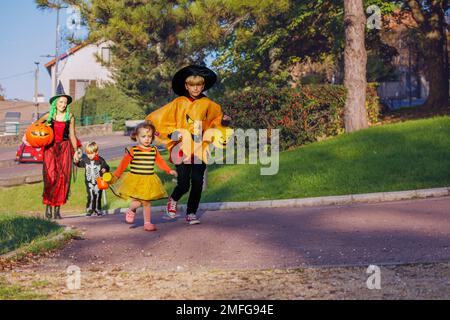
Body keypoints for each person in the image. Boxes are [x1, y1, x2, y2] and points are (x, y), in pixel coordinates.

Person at [145, 65, 231, 225]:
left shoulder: (210, 104)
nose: (196, 88)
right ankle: (173, 199)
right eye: (192, 85)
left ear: (203, 85)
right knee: (184, 184)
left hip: (200, 149)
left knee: (197, 181)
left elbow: (216, 121)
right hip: (181, 149)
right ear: (186, 86)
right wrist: (171, 133)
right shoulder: (178, 103)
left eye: (199, 85)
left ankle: (191, 212)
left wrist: (224, 121)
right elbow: (159, 119)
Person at [110, 121, 177, 231]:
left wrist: (169, 170)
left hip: (149, 180)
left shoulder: (153, 150)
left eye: (149, 136)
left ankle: (147, 223)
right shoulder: (133, 150)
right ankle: (131, 209)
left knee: (146, 202)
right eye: (144, 136)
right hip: (135, 180)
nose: (147, 139)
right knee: (136, 202)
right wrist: (116, 176)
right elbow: (123, 165)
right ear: (137, 137)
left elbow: (160, 162)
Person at [27, 92, 82, 219]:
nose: (63, 104)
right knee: (50, 177)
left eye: (65, 102)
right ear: (55, 103)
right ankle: (48, 206)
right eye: (60, 102)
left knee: (62, 178)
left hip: (64, 148)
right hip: (50, 149)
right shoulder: (48, 116)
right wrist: (33, 139)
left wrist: (76, 151)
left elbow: (72, 135)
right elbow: (35, 127)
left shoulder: (70, 116)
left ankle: (57, 209)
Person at [75, 141, 110, 216]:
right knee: (90, 195)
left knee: (98, 195)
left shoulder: (100, 160)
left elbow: (106, 166)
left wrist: (104, 169)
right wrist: (76, 161)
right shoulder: (85, 160)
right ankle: (90, 209)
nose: (89, 155)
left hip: (98, 181)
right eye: (88, 153)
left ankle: (98, 209)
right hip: (89, 182)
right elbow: (79, 164)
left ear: (96, 152)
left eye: (91, 153)